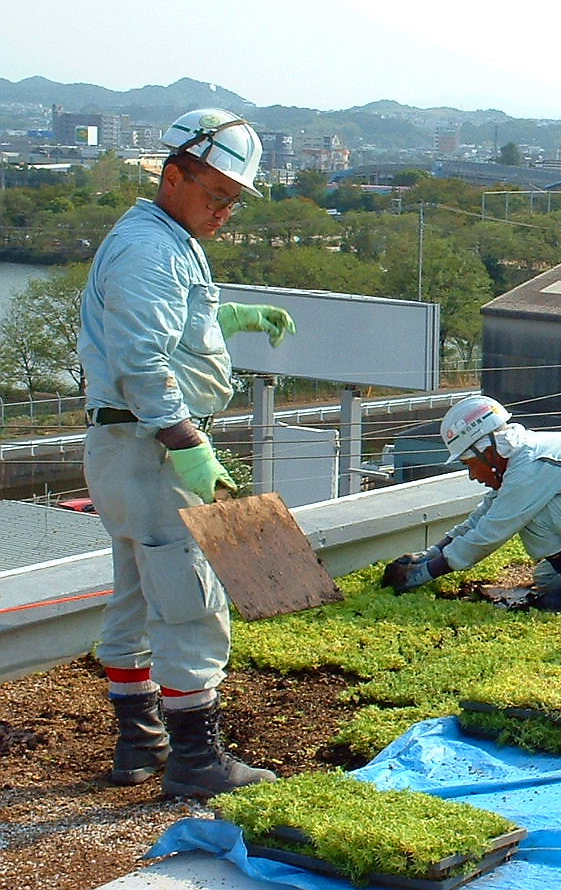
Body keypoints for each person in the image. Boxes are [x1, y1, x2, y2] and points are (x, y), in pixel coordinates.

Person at [78, 107, 296, 798]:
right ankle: (197, 761)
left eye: (234, 200)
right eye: (217, 194)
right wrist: (187, 443)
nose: (225, 211)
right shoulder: (150, 248)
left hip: (125, 447)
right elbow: (142, 359)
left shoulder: (162, 236)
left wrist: (233, 316)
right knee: (189, 599)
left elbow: (169, 324)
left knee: (137, 592)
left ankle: (139, 742)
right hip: (153, 448)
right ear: (174, 175)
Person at [382, 395, 561, 611]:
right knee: (549, 579)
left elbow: (489, 532)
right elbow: (485, 514)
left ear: (487, 452)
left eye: (469, 464)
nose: (472, 475)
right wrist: (429, 554)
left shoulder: (529, 465)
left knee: (532, 512)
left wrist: (423, 574)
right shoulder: (520, 460)